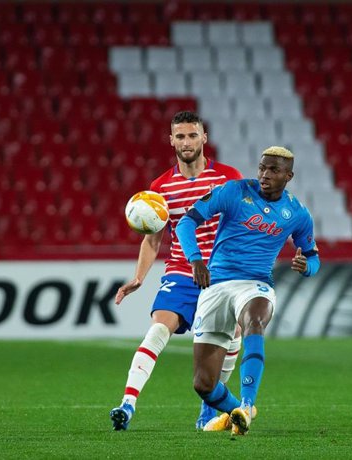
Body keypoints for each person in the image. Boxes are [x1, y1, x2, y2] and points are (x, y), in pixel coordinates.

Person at [109, 111, 243, 431]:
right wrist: (140, 277)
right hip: (182, 271)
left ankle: (208, 405)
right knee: (159, 328)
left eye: (192, 135)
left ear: (203, 138)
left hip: (222, 274)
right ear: (171, 140)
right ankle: (128, 404)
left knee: (231, 337)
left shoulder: (228, 178)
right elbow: (152, 240)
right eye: (180, 136)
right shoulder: (161, 187)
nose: (186, 142)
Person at [176, 146, 321, 435]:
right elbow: (186, 223)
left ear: (288, 176)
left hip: (255, 284)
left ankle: (247, 403)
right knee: (203, 384)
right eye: (262, 168)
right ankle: (236, 412)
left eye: (274, 170)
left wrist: (307, 266)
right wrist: (195, 260)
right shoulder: (234, 191)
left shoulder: (297, 213)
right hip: (216, 284)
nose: (265, 174)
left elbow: (314, 257)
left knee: (254, 321)